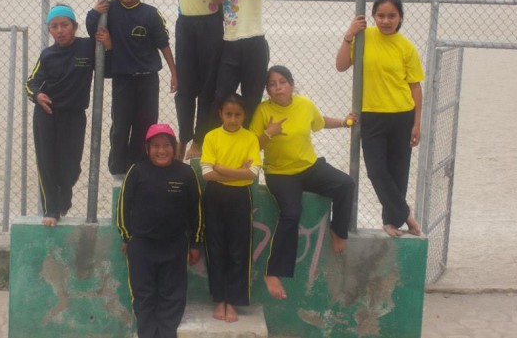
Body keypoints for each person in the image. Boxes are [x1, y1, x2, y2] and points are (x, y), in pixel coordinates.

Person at [110, 0, 227, 160]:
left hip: (211, 26)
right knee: (185, 88)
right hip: (186, 26)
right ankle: (184, 137)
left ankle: (199, 140)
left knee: (208, 87)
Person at [249, 65, 356, 300]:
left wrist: (344, 122)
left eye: (282, 82)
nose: (278, 88)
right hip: (280, 173)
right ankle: (273, 273)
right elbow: (252, 146)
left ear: (291, 84)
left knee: (345, 184)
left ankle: (338, 231)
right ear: (267, 89)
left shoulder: (305, 104)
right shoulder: (263, 111)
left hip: (309, 167)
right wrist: (269, 133)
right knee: (291, 213)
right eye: (272, 84)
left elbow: (319, 122)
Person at [336, 0, 424, 238]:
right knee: (375, 171)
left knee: (398, 173)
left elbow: (415, 87)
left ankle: (391, 222)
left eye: (391, 16)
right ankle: (406, 214)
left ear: (400, 18)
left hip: (402, 116)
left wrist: (417, 123)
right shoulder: (363, 38)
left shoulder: (406, 47)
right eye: (381, 15)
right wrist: (349, 35)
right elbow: (341, 66)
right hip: (371, 116)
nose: (386, 21)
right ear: (373, 16)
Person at [86, 0, 177, 177]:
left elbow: (163, 44)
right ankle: (118, 169)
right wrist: (95, 12)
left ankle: (139, 167)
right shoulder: (110, 10)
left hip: (148, 80)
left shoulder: (151, 13)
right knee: (120, 125)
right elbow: (92, 28)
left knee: (145, 124)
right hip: (122, 79)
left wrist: (174, 72)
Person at [25, 4, 111, 227]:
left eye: (64, 25)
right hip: (47, 114)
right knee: (47, 162)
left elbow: (108, 64)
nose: (60, 30)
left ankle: (64, 195)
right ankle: (52, 209)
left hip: (74, 116)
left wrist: (106, 40)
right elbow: (30, 83)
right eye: (54, 26)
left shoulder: (87, 47)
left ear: (75, 26)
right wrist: (37, 95)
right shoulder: (47, 55)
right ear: (49, 30)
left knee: (72, 166)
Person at [116, 123, 203, 338]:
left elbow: (197, 211)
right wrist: (127, 237)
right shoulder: (137, 171)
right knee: (143, 296)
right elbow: (123, 206)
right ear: (147, 149)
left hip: (175, 246)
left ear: (174, 147)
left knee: (172, 296)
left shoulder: (186, 173)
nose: (161, 150)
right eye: (155, 146)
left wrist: (195, 243)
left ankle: (166, 334)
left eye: (166, 145)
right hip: (142, 246)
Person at [200, 93, 262, 323]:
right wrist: (238, 172)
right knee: (215, 248)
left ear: (244, 116)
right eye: (228, 114)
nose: (233, 119)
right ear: (221, 114)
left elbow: (252, 174)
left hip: (240, 197)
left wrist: (221, 168)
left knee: (239, 250)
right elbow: (207, 174)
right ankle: (219, 299)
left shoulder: (250, 139)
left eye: (237, 115)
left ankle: (233, 301)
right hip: (214, 196)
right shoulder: (211, 137)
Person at [214, 0, 287, 125]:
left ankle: (249, 139)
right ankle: (222, 138)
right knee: (221, 96)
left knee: (252, 99)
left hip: (253, 45)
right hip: (229, 45)